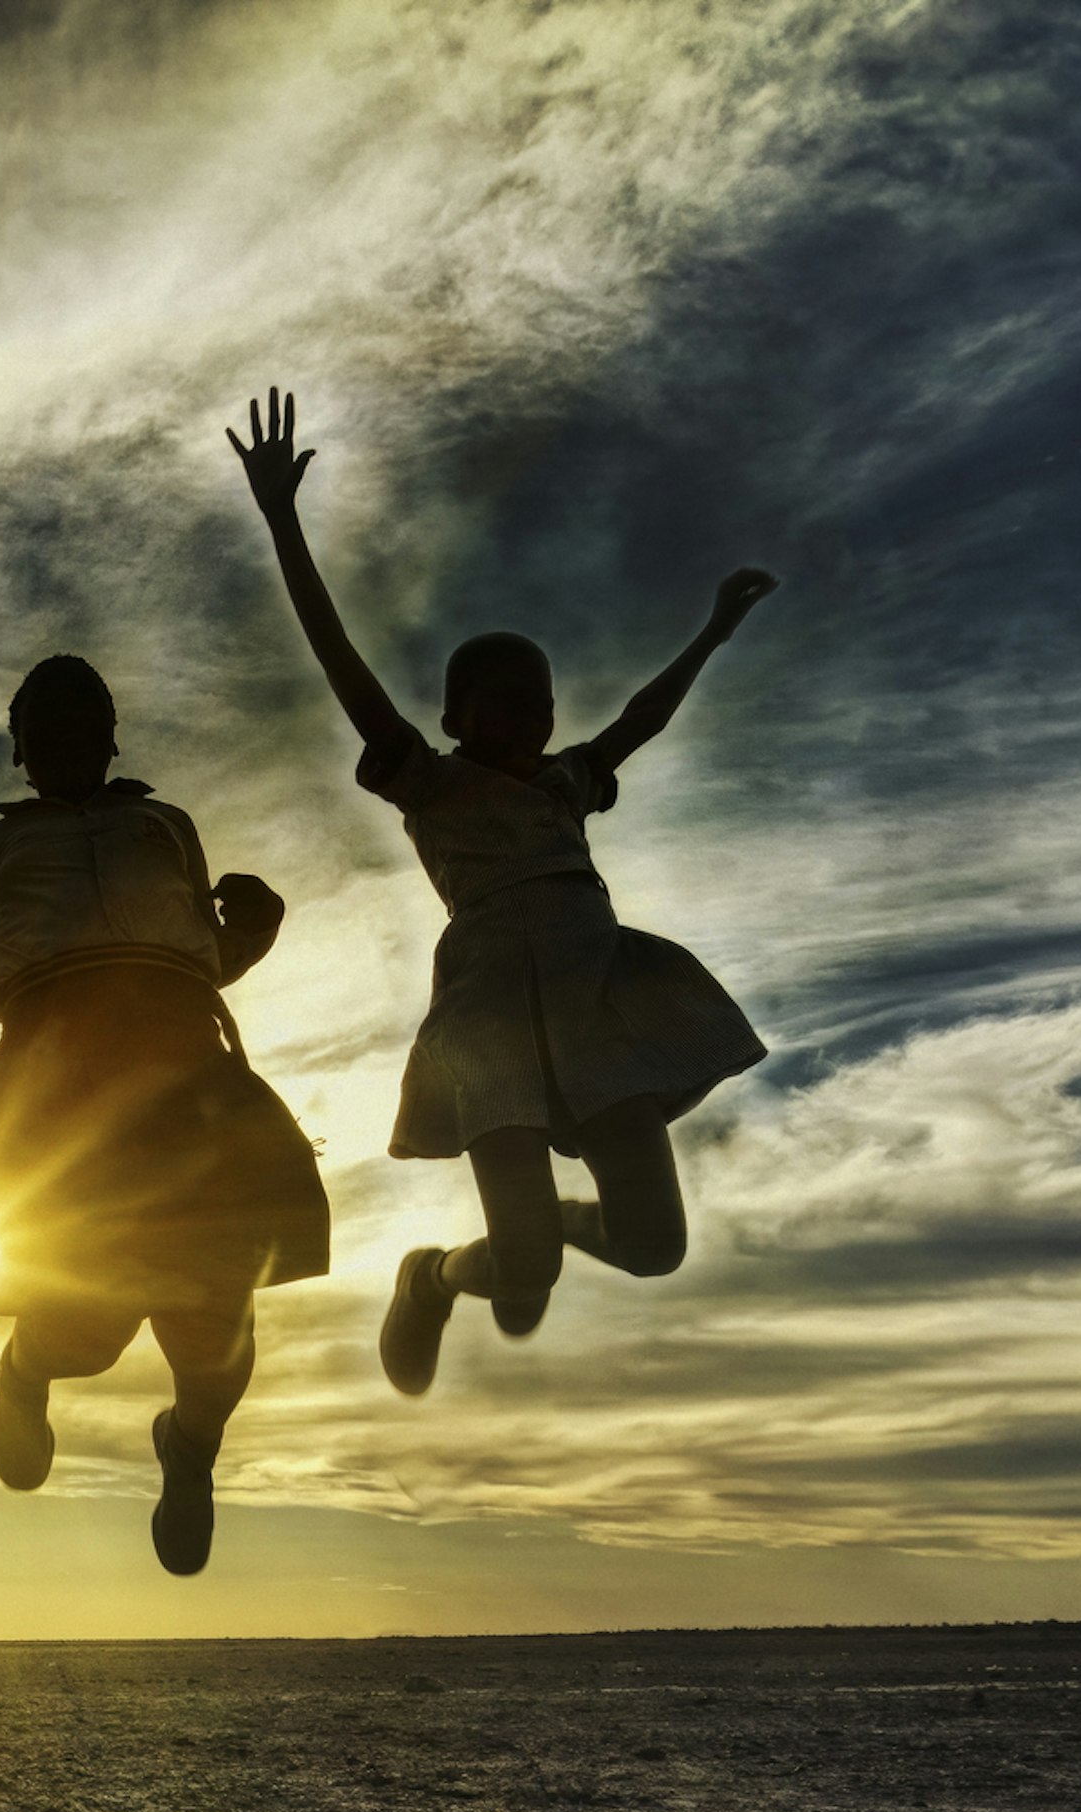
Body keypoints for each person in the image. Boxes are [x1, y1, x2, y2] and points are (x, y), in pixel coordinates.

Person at [228, 388, 774, 1394]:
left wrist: (713, 632)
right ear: (455, 713)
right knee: (521, 1263)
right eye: (503, 696)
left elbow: (642, 719)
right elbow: (339, 659)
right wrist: (282, 521)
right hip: (489, 1018)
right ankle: (432, 1277)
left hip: (598, 1000)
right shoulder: (426, 779)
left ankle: (557, 1231)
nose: (530, 711)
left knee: (655, 1245)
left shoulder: (568, 783)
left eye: (542, 698)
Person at [0, 656, 327, 1574]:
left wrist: (256, 926)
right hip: (59, 1095)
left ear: (114, 736)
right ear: (20, 753)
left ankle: (190, 1451)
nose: (67, 746)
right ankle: (26, 1371)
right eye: (45, 734)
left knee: (217, 1318)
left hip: (188, 1083)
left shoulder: (164, 824)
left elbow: (199, 957)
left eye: (85, 726)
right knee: (90, 1319)